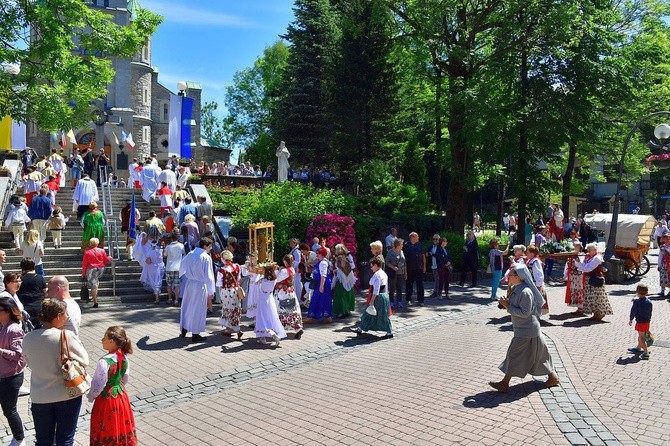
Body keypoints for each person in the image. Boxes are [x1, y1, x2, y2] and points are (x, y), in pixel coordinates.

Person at [23, 299, 89, 446]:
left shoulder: (28, 338)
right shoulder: (65, 336)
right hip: (66, 394)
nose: (67, 317)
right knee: (65, 439)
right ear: (58, 316)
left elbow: (27, 362)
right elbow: (85, 360)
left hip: (39, 396)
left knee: (43, 440)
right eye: (66, 314)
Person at [489, 263, 560, 393]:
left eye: (510, 274)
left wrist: (507, 306)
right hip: (527, 329)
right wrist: (506, 303)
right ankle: (553, 377)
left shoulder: (525, 291)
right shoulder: (517, 288)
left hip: (526, 330)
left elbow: (525, 313)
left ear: (519, 277)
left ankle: (505, 383)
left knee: (513, 355)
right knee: (540, 355)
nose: (508, 276)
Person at [88, 326, 137, 445]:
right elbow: (125, 379)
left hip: (107, 400)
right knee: (120, 424)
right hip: (120, 397)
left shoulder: (104, 362)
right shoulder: (124, 357)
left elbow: (98, 385)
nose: (102, 340)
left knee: (106, 425)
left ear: (111, 341)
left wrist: (91, 396)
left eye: (104, 338)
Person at [0, 296, 27, 446]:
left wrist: (1, 351)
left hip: (11, 376)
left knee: (9, 410)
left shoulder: (14, 329)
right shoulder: (3, 326)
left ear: (8, 312)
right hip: (4, 375)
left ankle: (19, 438)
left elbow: (19, 355)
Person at [179, 238, 215, 342]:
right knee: (198, 308)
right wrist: (211, 291)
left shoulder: (190, 254)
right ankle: (195, 333)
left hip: (190, 283)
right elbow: (209, 276)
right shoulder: (206, 257)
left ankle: (184, 329)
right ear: (205, 246)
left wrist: (181, 274)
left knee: (187, 306)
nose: (210, 248)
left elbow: (182, 266)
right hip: (200, 285)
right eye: (210, 246)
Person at [353, 257, 393, 338]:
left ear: (376, 265)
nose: (371, 268)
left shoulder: (377, 274)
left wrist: (372, 301)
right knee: (382, 314)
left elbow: (376, 290)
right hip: (384, 296)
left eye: (372, 266)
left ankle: (361, 328)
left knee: (369, 313)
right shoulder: (383, 273)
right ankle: (388, 332)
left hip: (378, 297)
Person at [248, 264, 287, 346]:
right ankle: (264, 337)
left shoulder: (263, 280)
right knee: (271, 316)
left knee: (262, 317)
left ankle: (268, 334)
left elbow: (255, 283)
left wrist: (259, 274)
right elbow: (277, 273)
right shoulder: (274, 279)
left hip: (262, 300)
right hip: (270, 299)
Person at [574, 243, 613, 321]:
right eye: (588, 250)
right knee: (592, 297)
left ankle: (600, 313)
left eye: (590, 250)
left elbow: (588, 268)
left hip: (596, 279)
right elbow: (584, 266)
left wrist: (578, 264)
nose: (588, 252)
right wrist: (579, 262)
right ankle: (596, 314)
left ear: (595, 250)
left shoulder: (597, 258)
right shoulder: (590, 257)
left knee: (598, 297)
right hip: (590, 279)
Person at [274, 254, 304, 338]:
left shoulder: (284, 271)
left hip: (283, 292)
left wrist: (276, 270)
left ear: (285, 261)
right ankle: (297, 327)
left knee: (281, 308)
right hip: (290, 291)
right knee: (292, 309)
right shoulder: (292, 269)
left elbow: (276, 279)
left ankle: (280, 328)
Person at [216, 250, 244, 339]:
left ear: (223, 259)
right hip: (235, 290)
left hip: (226, 291)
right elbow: (238, 278)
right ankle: (228, 329)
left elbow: (219, 284)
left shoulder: (221, 270)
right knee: (235, 308)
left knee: (227, 309)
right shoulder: (237, 266)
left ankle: (238, 330)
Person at [304, 248, 333, 323]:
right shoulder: (322, 261)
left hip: (321, 283)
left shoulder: (323, 263)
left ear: (322, 254)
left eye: (318, 253)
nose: (317, 255)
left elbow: (323, 275)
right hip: (322, 283)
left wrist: (321, 286)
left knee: (316, 299)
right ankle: (327, 316)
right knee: (324, 299)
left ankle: (311, 317)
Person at [82, 238, 112, 309]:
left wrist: (83, 273)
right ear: (97, 243)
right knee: (96, 283)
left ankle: (95, 301)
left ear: (90, 243)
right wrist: (109, 257)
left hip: (91, 269)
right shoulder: (102, 251)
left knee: (93, 285)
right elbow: (105, 260)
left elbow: (84, 264)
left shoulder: (87, 252)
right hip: (100, 269)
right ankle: (94, 296)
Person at [17, 259, 47, 330]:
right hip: (38, 307)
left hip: (23, 308)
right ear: (34, 266)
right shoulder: (40, 278)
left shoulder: (19, 279)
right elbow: (45, 292)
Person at [627, 284, 652, 360]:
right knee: (641, 335)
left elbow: (633, 311)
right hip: (647, 322)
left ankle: (646, 352)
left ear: (637, 292)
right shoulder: (649, 302)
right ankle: (638, 348)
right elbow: (650, 312)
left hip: (640, 322)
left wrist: (631, 319)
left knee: (641, 338)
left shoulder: (636, 302)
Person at [332, 244, 356, 318]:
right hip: (349, 278)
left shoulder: (340, 258)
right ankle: (347, 310)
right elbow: (353, 265)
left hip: (341, 279)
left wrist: (335, 270)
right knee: (348, 295)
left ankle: (341, 312)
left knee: (340, 296)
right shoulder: (348, 256)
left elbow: (340, 268)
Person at [562, 242, 585, 315]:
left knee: (580, 292)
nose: (574, 247)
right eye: (574, 246)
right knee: (574, 292)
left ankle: (581, 308)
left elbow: (582, 265)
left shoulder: (582, 255)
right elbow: (567, 268)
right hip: (572, 277)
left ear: (579, 247)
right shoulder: (569, 257)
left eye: (576, 246)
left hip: (579, 277)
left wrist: (577, 259)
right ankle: (579, 308)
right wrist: (564, 277)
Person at [403, 232, 426, 305]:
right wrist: (405, 269)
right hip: (410, 268)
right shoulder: (406, 246)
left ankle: (421, 300)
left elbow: (423, 256)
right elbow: (403, 258)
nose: (418, 238)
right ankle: (408, 299)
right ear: (412, 237)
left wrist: (424, 266)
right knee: (409, 284)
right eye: (417, 236)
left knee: (420, 285)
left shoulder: (419, 245)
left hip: (419, 268)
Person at [164, 232, 185, 306]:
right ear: (178, 238)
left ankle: (170, 299)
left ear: (171, 238)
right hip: (178, 267)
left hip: (169, 267)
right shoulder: (181, 246)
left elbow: (165, 255)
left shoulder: (168, 247)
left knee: (169, 284)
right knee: (177, 285)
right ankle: (176, 300)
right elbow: (183, 253)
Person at [385, 238, 406, 309]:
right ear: (398, 245)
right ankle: (391, 301)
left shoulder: (402, 252)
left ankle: (399, 301)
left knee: (400, 287)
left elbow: (404, 262)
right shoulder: (391, 252)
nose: (402, 245)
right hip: (393, 272)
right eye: (401, 244)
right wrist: (393, 267)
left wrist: (405, 272)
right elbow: (386, 261)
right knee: (392, 287)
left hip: (401, 272)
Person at [143, 239, 164, 304]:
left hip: (152, 268)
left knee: (155, 283)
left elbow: (148, 261)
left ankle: (157, 299)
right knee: (158, 281)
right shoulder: (160, 251)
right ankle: (157, 296)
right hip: (160, 267)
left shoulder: (150, 251)